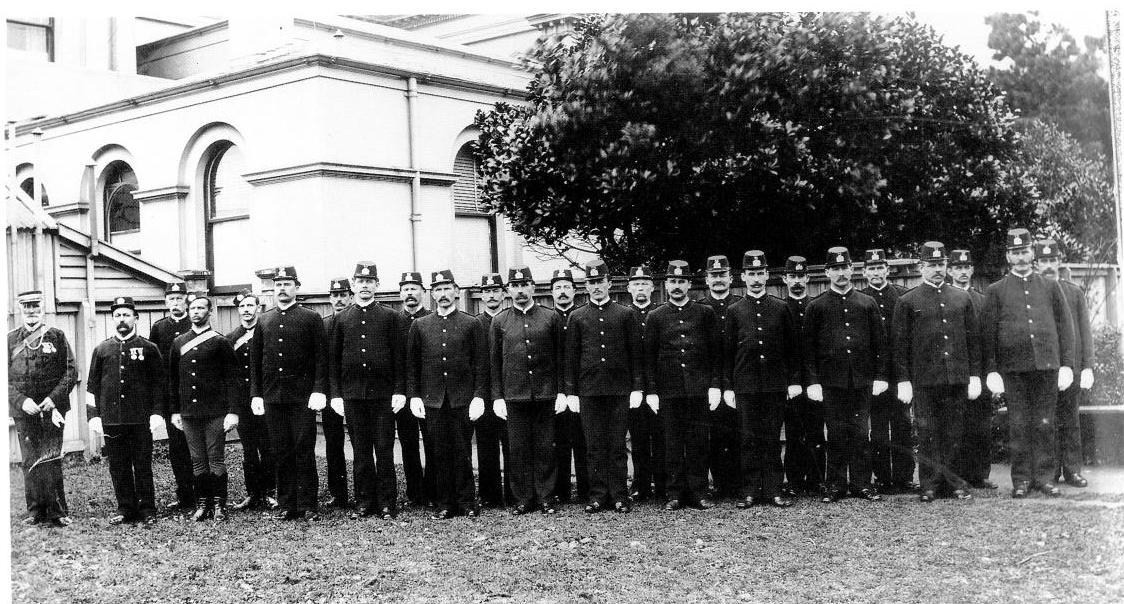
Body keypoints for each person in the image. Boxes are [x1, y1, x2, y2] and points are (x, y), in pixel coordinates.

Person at [981, 228, 1075, 498]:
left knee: (1045, 423)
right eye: (1015, 252)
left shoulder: (1050, 285)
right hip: (1013, 368)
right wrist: (992, 370)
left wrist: (1066, 364)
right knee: (1019, 424)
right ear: (1008, 256)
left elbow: (1065, 327)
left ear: (1032, 253)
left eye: (1025, 252)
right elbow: (988, 334)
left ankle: (1045, 478)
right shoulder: (996, 290)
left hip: (1046, 366)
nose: (1021, 257)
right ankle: (1021, 479)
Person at [892, 242, 980, 502]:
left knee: (955, 432)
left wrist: (974, 375)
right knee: (928, 433)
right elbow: (899, 346)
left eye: (941, 264)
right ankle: (929, 484)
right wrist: (904, 380)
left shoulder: (962, 298)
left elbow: (973, 340)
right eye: (932, 265)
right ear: (921, 267)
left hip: (955, 378)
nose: (937, 269)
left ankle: (954, 482)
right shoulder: (908, 301)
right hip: (924, 380)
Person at [804, 247, 886, 503]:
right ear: (827, 272)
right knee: (836, 433)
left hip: (861, 380)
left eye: (845, 268)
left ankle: (862, 483)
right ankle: (836, 485)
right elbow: (808, 349)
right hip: (831, 382)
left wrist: (881, 376)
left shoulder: (867, 303)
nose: (841, 273)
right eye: (835, 269)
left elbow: (880, 344)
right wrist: (813, 382)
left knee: (861, 433)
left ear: (852, 270)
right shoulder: (816, 306)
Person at [407, 270, 488, 519]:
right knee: (438, 452)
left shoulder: (471, 323)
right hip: (433, 400)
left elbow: (480, 364)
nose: (443, 295)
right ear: (433, 294)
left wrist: (478, 396)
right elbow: (413, 366)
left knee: (462, 450)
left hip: (461, 399)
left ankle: (466, 501)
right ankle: (444, 503)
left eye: (447, 289)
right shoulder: (420, 325)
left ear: (456, 291)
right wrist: (415, 396)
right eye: (438, 290)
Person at [565, 259, 644, 514]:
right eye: (591, 282)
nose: (596, 286)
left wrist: (637, 388)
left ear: (609, 283)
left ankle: (620, 495)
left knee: (617, 445)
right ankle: (598, 495)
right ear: (585, 286)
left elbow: (636, 354)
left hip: (619, 390)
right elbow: (571, 358)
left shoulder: (625, 314)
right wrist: (571, 392)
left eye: (600, 281)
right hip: (589, 392)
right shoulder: (577, 317)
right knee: (594, 445)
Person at [328, 262, 406, 520]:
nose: (364, 285)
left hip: (382, 395)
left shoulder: (390, 317)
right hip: (353, 395)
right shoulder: (342, 319)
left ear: (377, 285)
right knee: (360, 450)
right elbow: (334, 360)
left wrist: (399, 390)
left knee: (384, 449)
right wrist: (337, 394)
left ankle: (386, 503)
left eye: (369, 281)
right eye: (360, 281)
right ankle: (364, 501)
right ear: (353, 285)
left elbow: (399, 357)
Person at [250, 266, 328, 520]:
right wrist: (257, 394)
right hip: (274, 397)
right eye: (278, 285)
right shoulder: (264, 320)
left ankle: (307, 504)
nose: (282, 289)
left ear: (296, 287)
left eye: (287, 284)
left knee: (303, 449)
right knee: (280, 450)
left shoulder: (310, 318)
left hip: (302, 398)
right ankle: (287, 504)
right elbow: (256, 361)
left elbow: (320, 359)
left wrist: (318, 390)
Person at [723, 251, 800, 508]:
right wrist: (729, 387)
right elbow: (728, 352)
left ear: (767, 275)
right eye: (751, 274)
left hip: (774, 384)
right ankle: (750, 491)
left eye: (760, 274)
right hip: (745, 384)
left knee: (771, 437)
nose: (756, 279)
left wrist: (792, 381)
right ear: (743, 277)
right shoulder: (734, 311)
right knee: (748, 439)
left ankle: (774, 489)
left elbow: (792, 349)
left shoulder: (780, 308)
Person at [645, 260, 721, 511]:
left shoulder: (704, 313)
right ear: (666, 284)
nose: (677, 286)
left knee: (698, 441)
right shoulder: (655, 316)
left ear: (689, 284)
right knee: (672, 443)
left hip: (698, 390)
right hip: (669, 391)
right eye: (673, 282)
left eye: (681, 282)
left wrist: (714, 385)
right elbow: (650, 357)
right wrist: (653, 391)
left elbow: (715, 352)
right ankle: (674, 493)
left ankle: (699, 492)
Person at [490, 267, 566, 515]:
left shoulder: (550, 317)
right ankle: (522, 498)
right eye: (515, 285)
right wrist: (497, 396)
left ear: (533, 287)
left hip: (545, 394)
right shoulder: (499, 321)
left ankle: (545, 496)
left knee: (546, 446)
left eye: (524, 285)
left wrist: (562, 392)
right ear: (508, 290)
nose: (520, 290)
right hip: (514, 395)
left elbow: (561, 358)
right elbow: (494, 362)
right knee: (518, 448)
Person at [86, 296, 165, 526]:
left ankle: (148, 508)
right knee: (118, 466)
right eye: (118, 315)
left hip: (140, 419)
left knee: (142, 464)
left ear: (136, 318)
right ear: (113, 319)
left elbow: (159, 384)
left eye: (126, 315)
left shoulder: (149, 348)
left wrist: (157, 412)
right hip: (112, 420)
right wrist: (94, 416)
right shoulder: (102, 350)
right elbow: (92, 386)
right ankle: (125, 507)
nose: (122, 319)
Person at [9, 290, 78, 527]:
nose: (31, 312)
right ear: (20, 309)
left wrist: (54, 399)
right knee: (30, 459)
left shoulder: (57, 336)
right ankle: (35, 511)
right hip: (24, 411)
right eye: (26, 307)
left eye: (35, 307)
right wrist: (21, 401)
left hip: (52, 409)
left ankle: (57, 511)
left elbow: (71, 371)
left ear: (42, 307)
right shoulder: (9, 339)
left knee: (50, 457)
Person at [168, 293, 239, 521]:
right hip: (189, 412)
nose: (196, 312)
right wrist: (175, 411)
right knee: (197, 459)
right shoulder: (179, 342)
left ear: (209, 313)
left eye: (201, 308)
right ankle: (202, 504)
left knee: (215, 457)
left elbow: (232, 379)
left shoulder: (220, 341)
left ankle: (219, 505)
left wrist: (233, 411)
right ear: (188, 312)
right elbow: (172, 380)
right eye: (193, 308)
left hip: (215, 412)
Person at [1033, 238, 1094, 488]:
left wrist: (1087, 365)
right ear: (1036, 264)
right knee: (1045, 421)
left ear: (1058, 261)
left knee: (1070, 421)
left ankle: (1072, 470)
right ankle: (1048, 473)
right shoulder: (1031, 294)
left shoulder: (1074, 292)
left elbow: (1084, 331)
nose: (1048, 266)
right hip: (1043, 369)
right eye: (1043, 261)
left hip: (1071, 369)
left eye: (1052, 260)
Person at [861, 249, 915, 494]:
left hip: (900, 373)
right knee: (879, 428)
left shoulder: (903, 296)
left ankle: (904, 477)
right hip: (875, 376)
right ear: (864, 272)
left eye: (879, 267)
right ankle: (882, 476)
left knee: (903, 425)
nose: (875, 272)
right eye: (871, 268)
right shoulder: (861, 299)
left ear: (887, 269)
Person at [948, 249, 998, 490]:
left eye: (966, 267)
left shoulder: (982, 300)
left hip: (980, 371)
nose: (962, 271)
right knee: (956, 425)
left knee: (980, 425)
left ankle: (979, 474)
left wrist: (989, 373)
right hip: (955, 372)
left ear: (972, 270)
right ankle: (957, 475)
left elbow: (989, 338)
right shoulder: (944, 298)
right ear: (950, 271)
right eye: (957, 267)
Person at [226, 290, 278, 511]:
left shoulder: (266, 332)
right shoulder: (231, 338)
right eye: (242, 306)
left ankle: (270, 491)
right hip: (243, 401)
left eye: (250, 305)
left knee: (267, 446)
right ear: (238, 310)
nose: (246, 310)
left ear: (258, 307)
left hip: (265, 397)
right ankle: (252, 493)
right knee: (248, 448)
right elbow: (228, 375)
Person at [147, 282, 196, 512]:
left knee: (196, 445)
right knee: (177, 448)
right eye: (171, 299)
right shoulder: (159, 328)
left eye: (179, 298)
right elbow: (154, 366)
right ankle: (185, 494)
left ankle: (202, 493)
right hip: (171, 398)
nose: (175, 303)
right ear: (166, 302)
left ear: (186, 299)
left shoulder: (194, 322)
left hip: (194, 396)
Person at [697, 254, 743, 500]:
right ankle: (718, 484)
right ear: (707, 279)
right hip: (710, 381)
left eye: (722, 275)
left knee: (738, 432)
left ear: (730, 278)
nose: (718, 280)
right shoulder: (700, 308)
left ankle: (737, 483)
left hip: (738, 378)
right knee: (713, 434)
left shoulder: (740, 304)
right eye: (713, 276)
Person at [780, 256, 825, 496]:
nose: (797, 282)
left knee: (816, 430)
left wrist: (815, 379)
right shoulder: (779, 308)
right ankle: (795, 481)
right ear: (785, 279)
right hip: (791, 382)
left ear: (807, 278)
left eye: (801, 277)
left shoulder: (816, 306)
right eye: (792, 277)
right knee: (794, 431)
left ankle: (817, 479)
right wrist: (790, 381)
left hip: (815, 380)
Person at [626, 265, 666, 502]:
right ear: (629, 288)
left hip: (658, 387)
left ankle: (661, 484)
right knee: (638, 437)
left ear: (652, 287)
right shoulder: (624, 314)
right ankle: (640, 484)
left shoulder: (660, 313)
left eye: (644, 284)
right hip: (633, 387)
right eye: (636, 284)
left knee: (661, 435)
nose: (640, 288)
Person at [550, 268, 589, 505]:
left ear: (574, 290)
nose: (562, 292)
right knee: (558, 441)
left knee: (582, 440)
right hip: (555, 391)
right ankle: (560, 490)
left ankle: (586, 488)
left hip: (580, 389)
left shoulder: (583, 315)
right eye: (558, 288)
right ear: (552, 292)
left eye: (566, 287)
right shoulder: (546, 317)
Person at [474, 273, 512, 508]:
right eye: (487, 291)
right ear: (481, 295)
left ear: (503, 293)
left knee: (511, 444)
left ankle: (512, 492)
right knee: (486, 446)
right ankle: (489, 495)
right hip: (484, 394)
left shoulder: (510, 319)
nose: (491, 295)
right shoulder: (475, 322)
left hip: (508, 393)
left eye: (495, 290)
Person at [397, 271, 431, 506]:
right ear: (400, 293)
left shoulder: (431, 319)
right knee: (408, 443)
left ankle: (433, 489)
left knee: (431, 441)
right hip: (402, 393)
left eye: (414, 288)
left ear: (423, 292)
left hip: (428, 391)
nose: (410, 293)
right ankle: (415, 493)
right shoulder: (394, 321)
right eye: (406, 289)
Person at [320, 277, 354, 508]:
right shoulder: (322, 324)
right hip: (331, 392)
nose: (339, 299)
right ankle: (338, 492)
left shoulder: (356, 320)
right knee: (333, 442)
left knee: (361, 441)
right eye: (335, 295)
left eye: (343, 295)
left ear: (351, 296)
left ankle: (364, 489)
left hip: (354, 391)